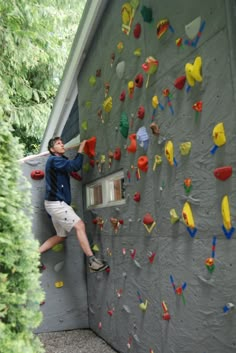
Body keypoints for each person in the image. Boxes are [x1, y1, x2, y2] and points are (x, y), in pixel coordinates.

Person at [39, 136, 109, 272]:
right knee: (80, 226)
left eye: (62, 143)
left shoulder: (59, 161)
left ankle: (34, 255)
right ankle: (92, 261)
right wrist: (82, 148)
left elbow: (69, 168)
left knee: (61, 236)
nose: (62, 145)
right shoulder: (54, 160)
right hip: (56, 204)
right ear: (52, 149)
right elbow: (75, 166)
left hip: (53, 203)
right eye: (59, 144)